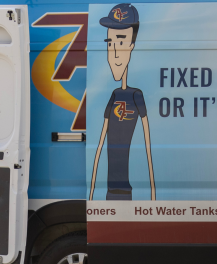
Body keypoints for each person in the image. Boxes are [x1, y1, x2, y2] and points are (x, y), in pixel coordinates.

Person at [90, 3, 155, 200]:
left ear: (132, 46)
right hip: (109, 192)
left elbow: (148, 151)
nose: (115, 53)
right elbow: (99, 147)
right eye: (110, 44)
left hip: (127, 191)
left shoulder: (137, 96)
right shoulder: (114, 95)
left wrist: (153, 199)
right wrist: (92, 195)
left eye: (121, 42)